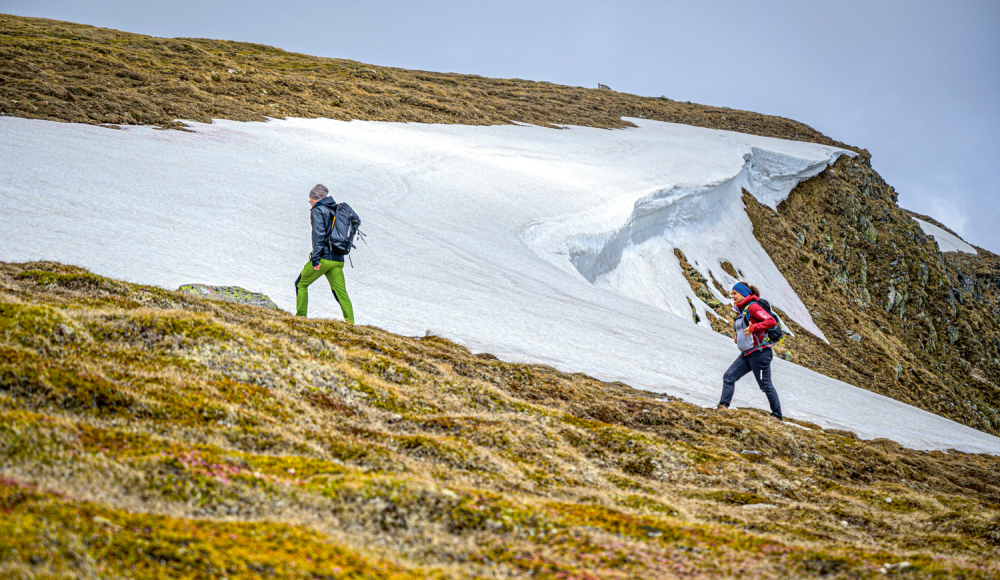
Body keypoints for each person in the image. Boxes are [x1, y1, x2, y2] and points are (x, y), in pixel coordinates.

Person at [717, 281, 782, 420]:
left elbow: (771, 322)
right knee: (728, 377)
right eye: (732, 294)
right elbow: (745, 328)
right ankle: (722, 409)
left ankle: (777, 416)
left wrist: (754, 328)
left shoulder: (752, 307)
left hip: (760, 353)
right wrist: (738, 337)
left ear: (743, 293)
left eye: (735, 293)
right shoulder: (742, 310)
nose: (732, 296)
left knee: (765, 385)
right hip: (747, 354)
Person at [294, 184, 354, 323]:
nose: (309, 200)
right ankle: (351, 323)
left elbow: (318, 235)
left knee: (300, 284)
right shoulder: (336, 209)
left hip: (324, 258)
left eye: (310, 197)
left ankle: (300, 318)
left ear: (316, 198)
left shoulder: (318, 211)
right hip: (338, 259)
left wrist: (315, 259)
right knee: (341, 293)